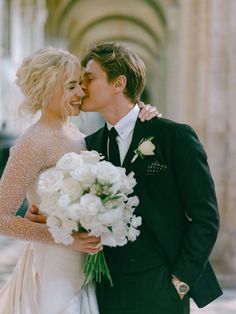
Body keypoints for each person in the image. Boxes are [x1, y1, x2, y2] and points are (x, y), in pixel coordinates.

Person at [26, 42, 222, 314]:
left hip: (162, 287)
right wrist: (50, 217)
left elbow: (205, 218)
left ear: (118, 83)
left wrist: (180, 281)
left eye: (89, 79)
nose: (82, 88)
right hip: (105, 289)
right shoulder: (87, 146)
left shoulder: (174, 137)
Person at [0, 46, 159, 314]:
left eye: (82, 85)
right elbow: (1, 218)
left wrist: (144, 114)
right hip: (54, 267)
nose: (81, 92)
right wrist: (63, 237)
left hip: (86, 265)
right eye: (72, 86)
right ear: (48, 88)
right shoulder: (31, 143)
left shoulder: (77, 133)